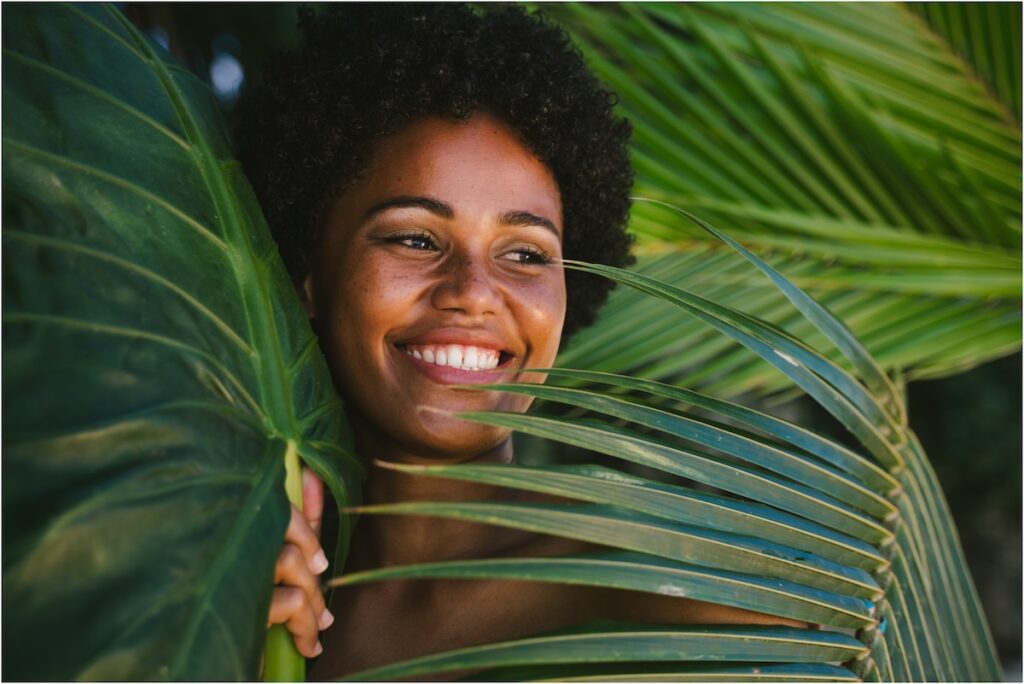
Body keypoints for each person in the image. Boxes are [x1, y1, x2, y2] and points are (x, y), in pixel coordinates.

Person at [235, 5, 801, 678]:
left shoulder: (677, 587)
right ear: (308, 275)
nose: (474, 291)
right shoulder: (255, 585)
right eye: (416, 238)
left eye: (526, 254)